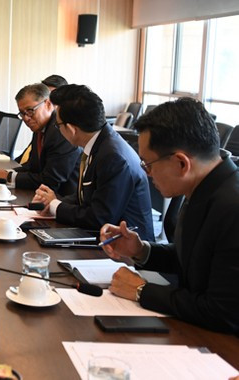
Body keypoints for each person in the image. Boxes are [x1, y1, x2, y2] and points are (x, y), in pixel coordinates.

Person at [100, 98, 239, 334]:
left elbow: (224, 313)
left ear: (181, 163)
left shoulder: (232, 208)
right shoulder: (207, 186)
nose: (147, 173)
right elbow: (196, 260)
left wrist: (142, 290)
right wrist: (141, 250)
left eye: (148, 164)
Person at [32, 84, 155, 241]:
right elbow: (87, 198)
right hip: (101, 237)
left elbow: (100, 218)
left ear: (71, 129)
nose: (57, 129)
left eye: (58, 125)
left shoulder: (113, 157)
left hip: (125, 247)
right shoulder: (101, 143)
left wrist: (55, 205)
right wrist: (53, 201)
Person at [0, 83, 80, 195]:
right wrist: (4, 173)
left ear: (48, 104)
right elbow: (32, 166)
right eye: (22, 113)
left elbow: (50, 181)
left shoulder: (61, 131)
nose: (26, 118)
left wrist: (8, 176)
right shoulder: (40, 128)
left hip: (62, 198)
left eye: (30, 110)